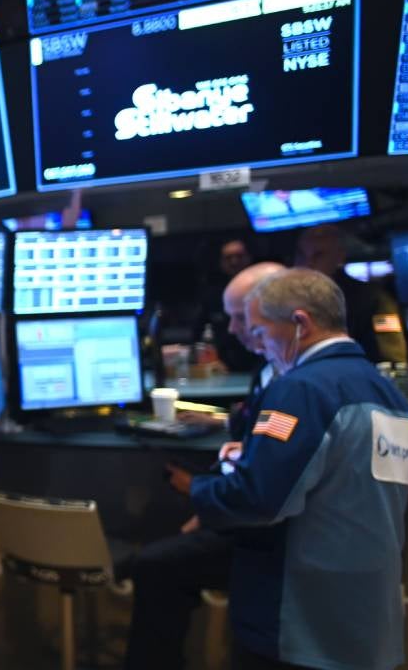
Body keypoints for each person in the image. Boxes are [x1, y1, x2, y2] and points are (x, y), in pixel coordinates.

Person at [191, 268, 408, 669]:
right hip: (369, 614)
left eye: (261, 333)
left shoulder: (302, 388)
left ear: (300, 323)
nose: (260, 347)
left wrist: (200, 489)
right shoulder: (391, 394)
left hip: (302, 618)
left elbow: (258, 501)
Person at [123, 262, 284, 670]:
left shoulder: (290, 379)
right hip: (246, 518)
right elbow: (256, 429)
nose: (230, 329)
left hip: (266, 538)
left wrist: (198, 492)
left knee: (153, 565)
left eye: (237, 317)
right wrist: (224, 422)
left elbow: (265, 488)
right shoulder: (272, 368)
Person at [296, 224, 407, 364]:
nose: (308, 263)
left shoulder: (372, 298)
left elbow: (391, 361)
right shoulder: (289, 301)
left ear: (339, 256)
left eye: (318, 255)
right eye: (301, 255)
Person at [202, 238, 262, 373]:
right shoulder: (212, 296)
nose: (234, 262)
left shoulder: (264, 291)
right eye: (228, 258)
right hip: (225, 367)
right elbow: (199, 333)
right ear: (221, 263)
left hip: (259, 362)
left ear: (248, 258)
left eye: (239, 256)